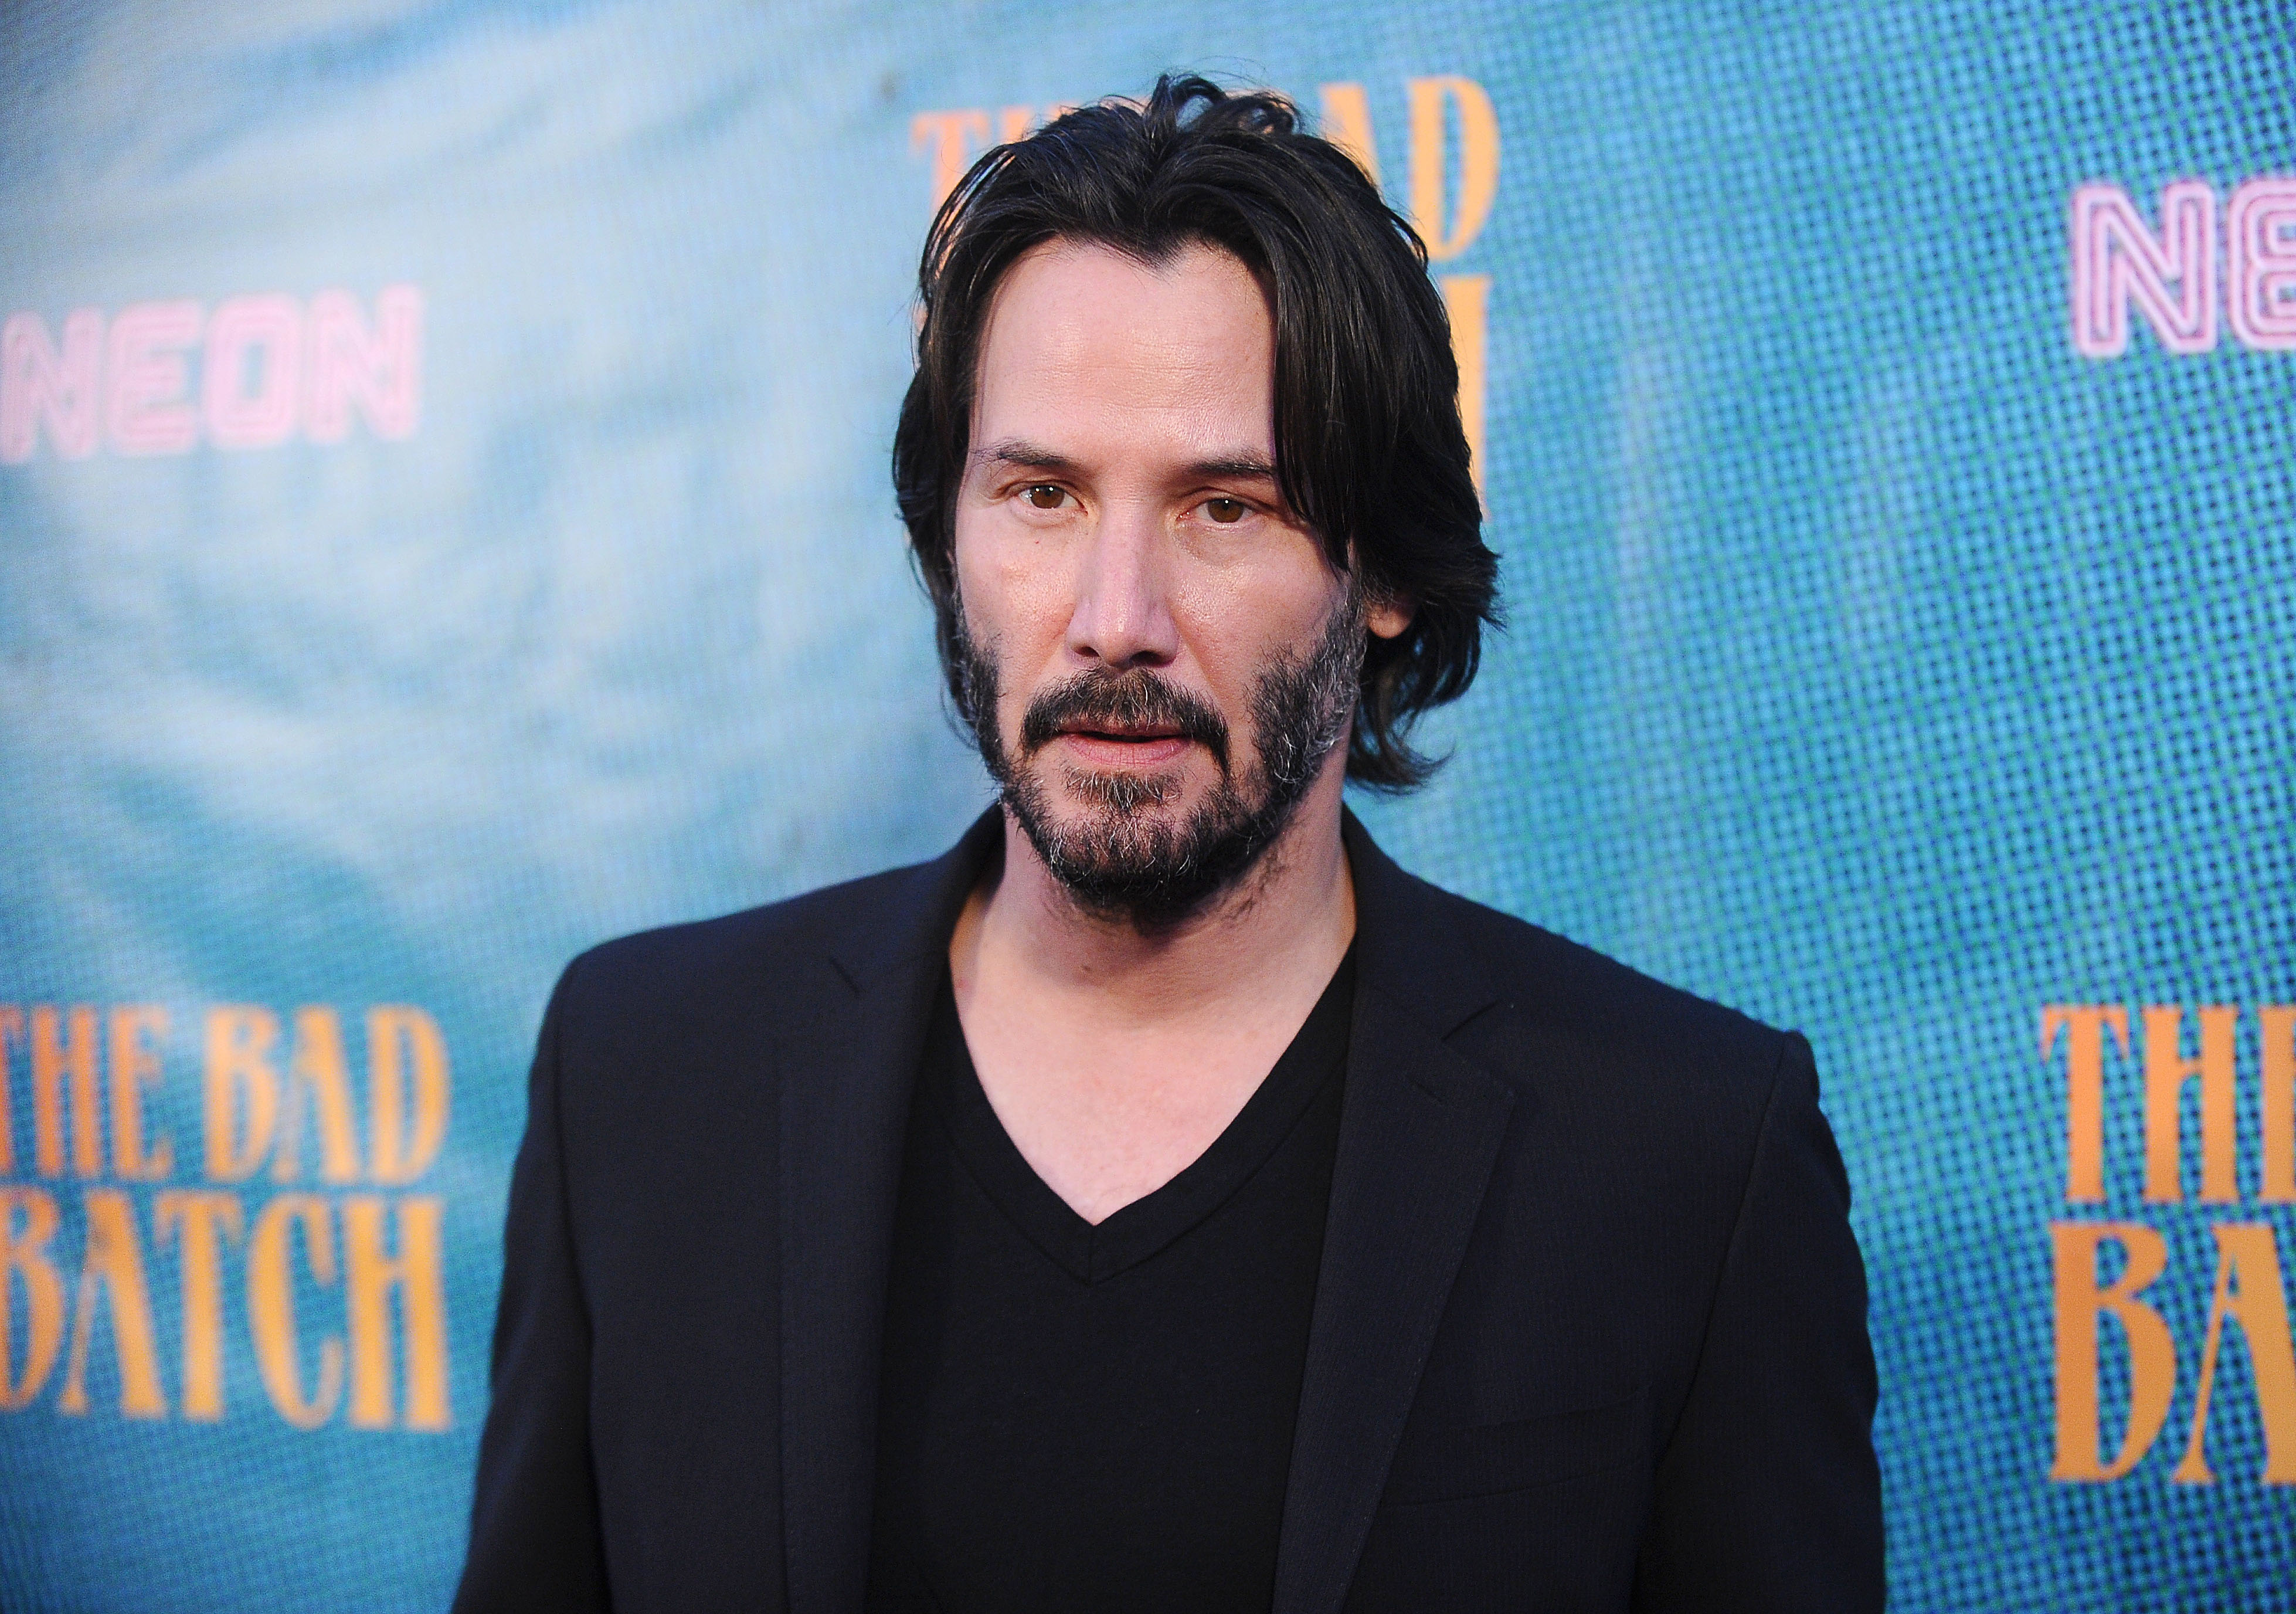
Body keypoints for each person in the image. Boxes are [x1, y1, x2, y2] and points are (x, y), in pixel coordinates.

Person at [452, 75, 1882, 1614]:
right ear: (949, 542)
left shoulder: (1680, 1156)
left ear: (1383, 574)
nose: (1114, 617)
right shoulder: (647, 1082)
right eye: (1042, 495)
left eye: (1224, 509)